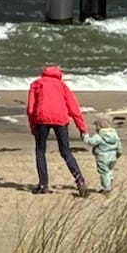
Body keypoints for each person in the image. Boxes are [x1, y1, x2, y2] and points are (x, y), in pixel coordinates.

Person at [25, 65, 90, 196]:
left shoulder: (37, 84)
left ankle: (43, 184)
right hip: (61, 118)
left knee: (40, 150)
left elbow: (31, 110)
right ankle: (80, 181)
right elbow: (74, 109)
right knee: (66, 151)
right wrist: (82, 128)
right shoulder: (62, 86)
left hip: (41, 118)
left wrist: (33, 127)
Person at [85, 117, 122, 193]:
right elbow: (119, 146)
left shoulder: (99, 136)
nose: (95, 128)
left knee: (104, 172)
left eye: (96, 126)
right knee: (110, 170)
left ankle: (106, 188)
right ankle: (109, 182)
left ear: (100, 126)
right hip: (113, 156)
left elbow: (91, 142)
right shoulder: (114, 134)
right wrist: (118, 154)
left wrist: (85, 136)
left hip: (102, 157)